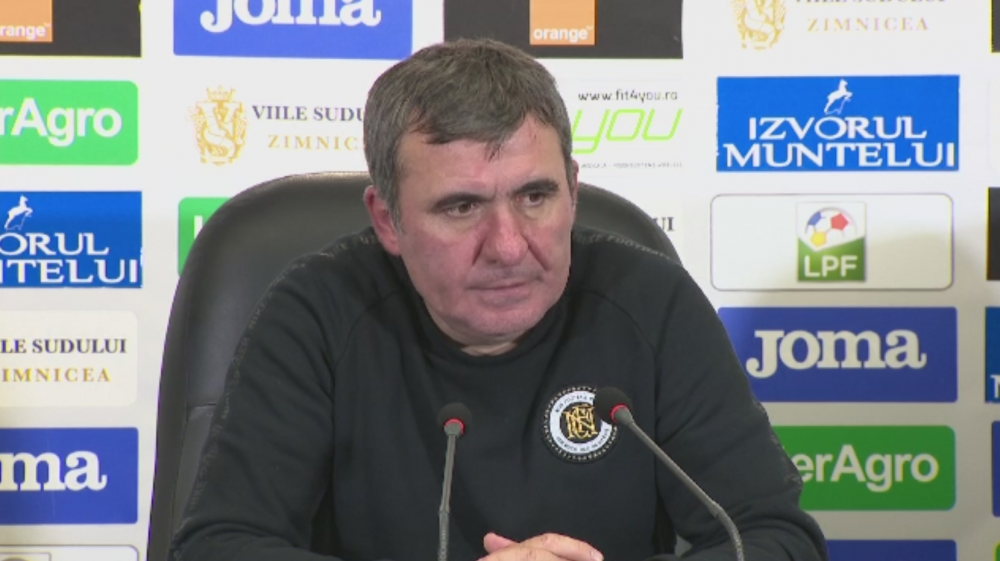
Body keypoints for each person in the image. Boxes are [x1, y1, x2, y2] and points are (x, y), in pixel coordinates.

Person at [168, 38, 828, 561]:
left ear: (573, 190)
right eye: (462, 207)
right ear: (388, 220)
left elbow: (776, 539)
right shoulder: (317, 312)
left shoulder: (650, 303)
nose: (509, 246)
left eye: (535, 196)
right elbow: (217, 547)